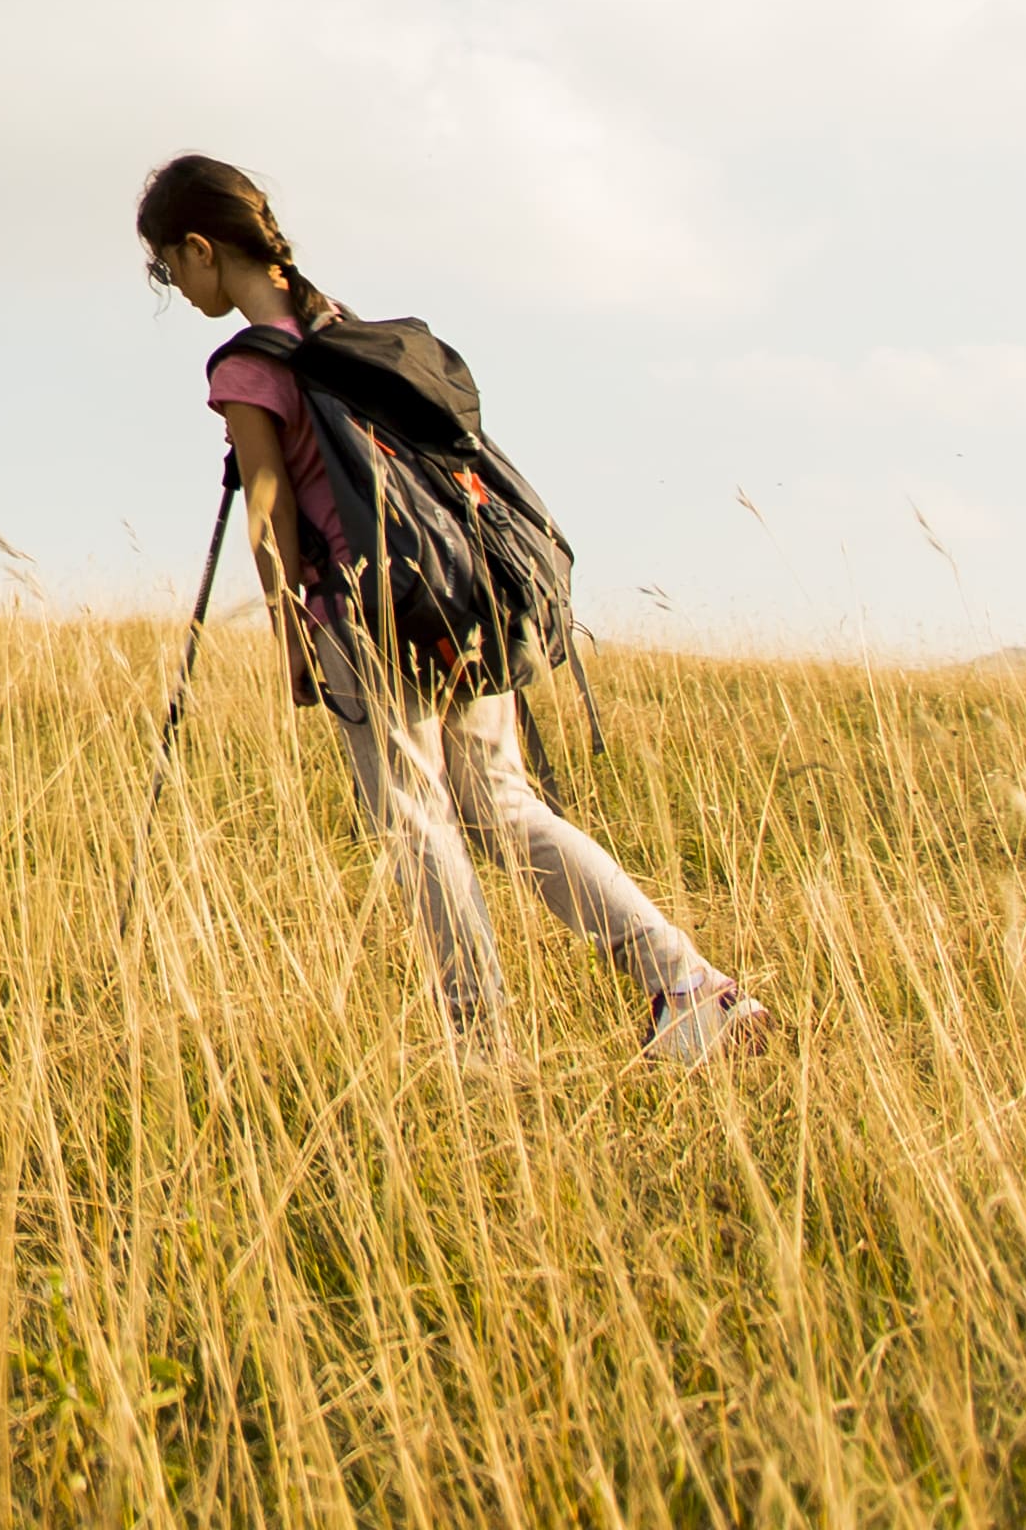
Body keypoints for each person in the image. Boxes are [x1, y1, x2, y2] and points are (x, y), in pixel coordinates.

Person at [139, 152, 769, 1064]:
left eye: (169, 267)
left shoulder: (248, 365)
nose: (176, 285)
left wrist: (291, 637)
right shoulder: (353, 332)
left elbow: (270, 512)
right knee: (506, 806)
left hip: (366, 615)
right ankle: (690, 986)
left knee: (418, 819)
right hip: (462, 600)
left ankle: (481, 1044)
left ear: (201, 248)